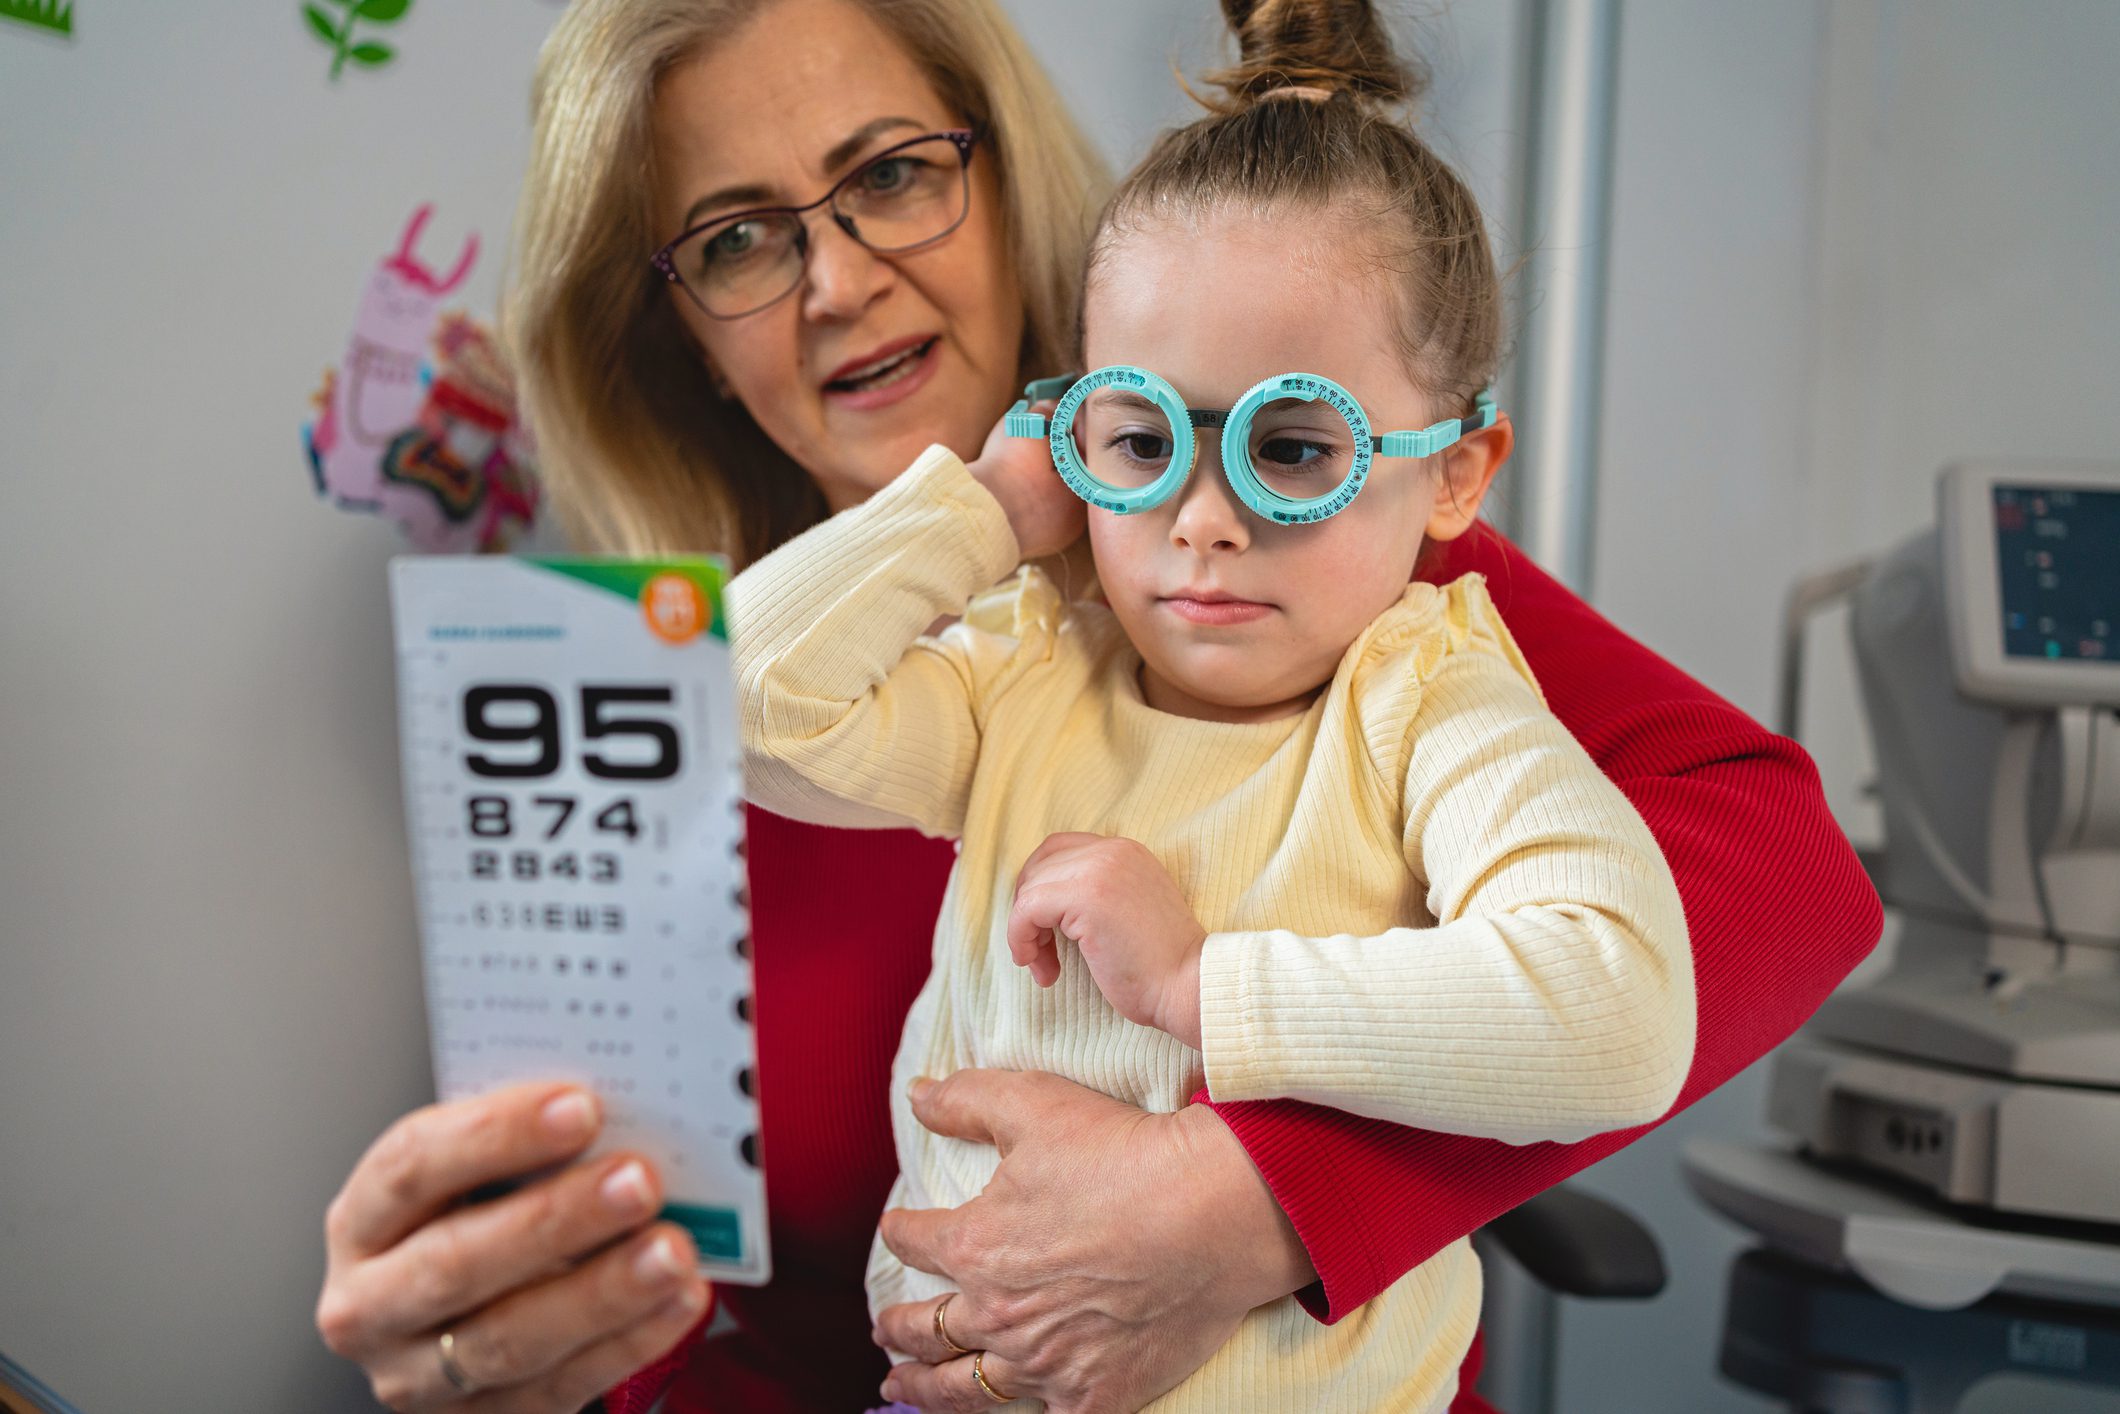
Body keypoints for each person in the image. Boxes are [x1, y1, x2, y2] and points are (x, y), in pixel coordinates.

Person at [313, 0, 1882, 1410]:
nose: (841, 280)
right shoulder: (621, 688)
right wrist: (509, 1357)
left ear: (1008, 177)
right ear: (683, 337)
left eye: (893, 173)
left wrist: (1251, 1192)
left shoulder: (1296, 553)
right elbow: (651, 1313)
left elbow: (1783, 875)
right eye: (735, 238)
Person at [727, 1, 1699, 1401]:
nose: (1201, 518)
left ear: (1457, 472)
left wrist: (1203, 985)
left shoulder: (1430, 703)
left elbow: (1623, 1010)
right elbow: (747, 699)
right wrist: (991, 506)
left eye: (1292, 446)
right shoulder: (1030, 671)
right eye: (1139, 437)